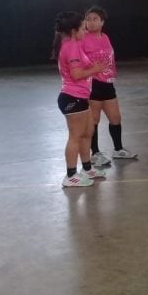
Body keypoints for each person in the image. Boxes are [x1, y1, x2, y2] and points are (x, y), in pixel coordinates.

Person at [53, 11, 107, 187]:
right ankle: (70, 176)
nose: (86, 31)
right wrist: (95, 69)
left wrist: (92, 66)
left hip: (81, 97)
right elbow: (76, 74)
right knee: (75, 136)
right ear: (74, 30)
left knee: (87, 133)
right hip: (72, 97)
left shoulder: (73, 44)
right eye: (83, 28)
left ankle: (87, 168)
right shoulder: (71, 47)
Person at [82, 6, 137, 167]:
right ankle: (95, 153)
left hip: (108, 83)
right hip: (93, 84)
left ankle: (118, 149)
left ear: (102, 22)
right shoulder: (83, 38)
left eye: (95, 19)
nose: (91, 22)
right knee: (94, 120)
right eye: (88, 19)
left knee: (115, 118)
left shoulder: (105, 37)